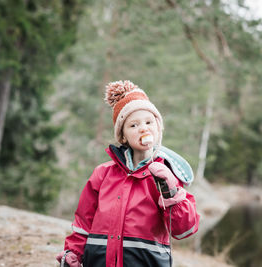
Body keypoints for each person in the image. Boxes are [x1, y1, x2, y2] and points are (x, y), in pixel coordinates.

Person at [56, 80, 200, 267]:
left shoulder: (166, 176)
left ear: (158, 129)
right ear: (123, 136)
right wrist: (73, 252)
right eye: (133, 125)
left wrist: (171, 192)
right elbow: (83, 222)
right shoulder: (103, 173)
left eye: (149, 122)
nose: (143, 128)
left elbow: (184, 230)